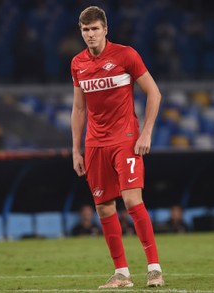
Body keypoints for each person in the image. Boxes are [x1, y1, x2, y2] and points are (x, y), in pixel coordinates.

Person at [71, 6, 164, 288]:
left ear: (105, 29)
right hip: (95, 143)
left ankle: (154, 270)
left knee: (132, 201)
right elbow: (78, 107)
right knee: (103, 207)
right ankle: (122, 274)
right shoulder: (77, 63)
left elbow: (154, 92)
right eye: (86, 30)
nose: (90, 34)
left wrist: (145, 132)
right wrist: (76, 149)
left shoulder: (126, 55)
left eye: (95, 29)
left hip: (125, 138)